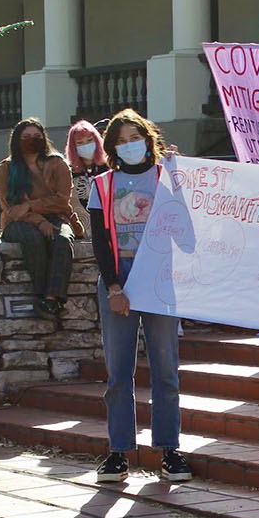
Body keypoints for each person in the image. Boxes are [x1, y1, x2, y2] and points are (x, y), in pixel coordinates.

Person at [87, 108, 191, 484]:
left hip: (161, 280)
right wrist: (114, 286)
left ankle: (169, 450)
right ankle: (118, 452)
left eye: (136, 137)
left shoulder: (168, 177)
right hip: (122, 279)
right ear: (112, 147)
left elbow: (187, 225)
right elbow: (99, 241)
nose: (130, 145)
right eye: (122, 140)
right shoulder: (103, 185)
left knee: (166, 369)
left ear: (149, 139)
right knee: (119, 371)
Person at [0, 117, 84, 319]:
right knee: (33, 238)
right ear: (17, 140)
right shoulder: (6, 169)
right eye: (26, 137)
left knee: (62, 240)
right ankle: (42, 295)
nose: (32, 140)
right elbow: (11, 209)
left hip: (57, 217)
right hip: (19, 222)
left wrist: (31, 205)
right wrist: (39, 220)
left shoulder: (58, 163)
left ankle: (52, 297)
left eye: (36, 136)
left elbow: (61, 201)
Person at [64, 118, 109, 238]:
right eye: (80, 143)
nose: (86, 145)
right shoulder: (68, 170)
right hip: (83, 225)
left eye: (90, 140)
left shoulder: (109, 166)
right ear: (73, 146)